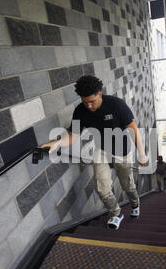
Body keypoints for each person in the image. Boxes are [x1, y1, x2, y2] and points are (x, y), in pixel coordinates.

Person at [41, 75, 148, 230]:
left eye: (92, 101)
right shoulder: (80, 111)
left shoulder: (117, 105)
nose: (89, 106)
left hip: (122, 150)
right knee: (102, 188)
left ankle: (135, 203)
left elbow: (134, 130)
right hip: (101, 150)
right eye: (85, 102)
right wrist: (57, 143)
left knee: (127, 185)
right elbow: (72, 136)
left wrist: (142, 154)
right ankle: (116, 213)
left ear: (100, 94)